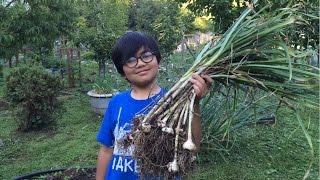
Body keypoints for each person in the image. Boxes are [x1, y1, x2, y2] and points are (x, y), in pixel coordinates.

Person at [96, 31, 212, 180]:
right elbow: (106, 150)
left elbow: (194, 146)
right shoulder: (116, 103)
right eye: (131, 60)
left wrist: (194, 101)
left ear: (157, 59)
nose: (140, 63)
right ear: (122, 71)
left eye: (146, 56)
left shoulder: (176, 100)